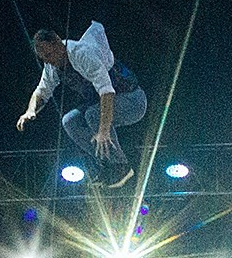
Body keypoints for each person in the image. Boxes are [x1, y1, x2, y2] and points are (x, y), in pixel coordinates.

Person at [15, 24, 147, 187]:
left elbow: (107, 92)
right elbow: (42, 91)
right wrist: (30, 110)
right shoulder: (52, 65)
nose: (49, 61)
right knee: (69, 121)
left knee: (92, 115)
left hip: (133, 100)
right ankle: (106, 165)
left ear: (58, 42)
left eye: (50, 55)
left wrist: (103, 131)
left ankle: (121, 166)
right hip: (106, 105)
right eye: (44, 59)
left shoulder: (83, 54)